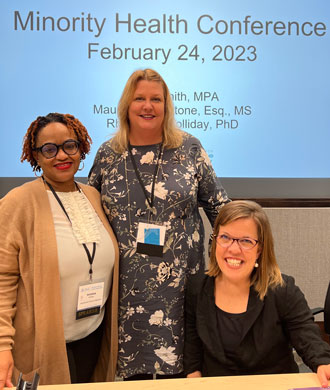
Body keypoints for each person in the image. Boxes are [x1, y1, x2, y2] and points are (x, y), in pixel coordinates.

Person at [88, 68, 229, 379]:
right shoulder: (108, 155)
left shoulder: (189, 148)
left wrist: (236, 253)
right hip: (125, 289)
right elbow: (89, 214)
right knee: (128, 374)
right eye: (139, 98)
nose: (147, 106)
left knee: (184, 372)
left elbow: (221, 209)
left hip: (182, 286)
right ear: (127, 104)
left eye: (156, 99)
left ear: (167, 106)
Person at [0, 113, 119, 388]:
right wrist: (2, 347)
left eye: (70, 146)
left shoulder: (93, 197)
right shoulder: (18, 202)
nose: (62, 155)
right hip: (42, 346)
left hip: (92, 336)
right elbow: (2, 282)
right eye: (49, 149)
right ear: (36, 156)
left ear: (82, 148)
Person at [184, 200, 330, 387]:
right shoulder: (197, 288)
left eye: (246, 241)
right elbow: (192, 359)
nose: (233, 249)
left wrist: (324, 363)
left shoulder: (283, 290)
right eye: (225, 237)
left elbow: (307, 338)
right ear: (215, 240)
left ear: (260, 249)